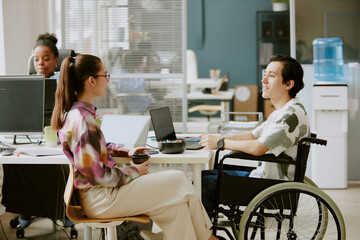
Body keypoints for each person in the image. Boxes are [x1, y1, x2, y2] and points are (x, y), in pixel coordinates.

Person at [51, 53, 218, 240]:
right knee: (179, 179)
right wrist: (134, 171)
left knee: (176, 208)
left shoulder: (79, 115)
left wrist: (126, 151)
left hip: (104, 195)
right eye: (105, 75)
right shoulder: (82, 120)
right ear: (91, 81)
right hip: (102, 199)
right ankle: (209, 238)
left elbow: (96, 147)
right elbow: (99, 175)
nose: (108, 80)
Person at [200, 54, 310, 213]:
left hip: (271, 184)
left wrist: (221, 144)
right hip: (263, 176)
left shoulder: (290, 115)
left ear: (288, 84)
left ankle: (205, 235)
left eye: (271, 76)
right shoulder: (283, 111)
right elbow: (253, 135)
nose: (264, 80)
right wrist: (218, 138)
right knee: (205, 176)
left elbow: (258, 148)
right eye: (265, 74)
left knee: (204, 183)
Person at [1, 33, 74, 230]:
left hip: (55, 139)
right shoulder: (25, 86)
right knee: (15, 164)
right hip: (29, 138)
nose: (40, 63)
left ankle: (63, 210)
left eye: (46, 58)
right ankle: (24, 209)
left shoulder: (65, 84)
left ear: (56, 61)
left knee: (57, 164)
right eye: (36, 59)